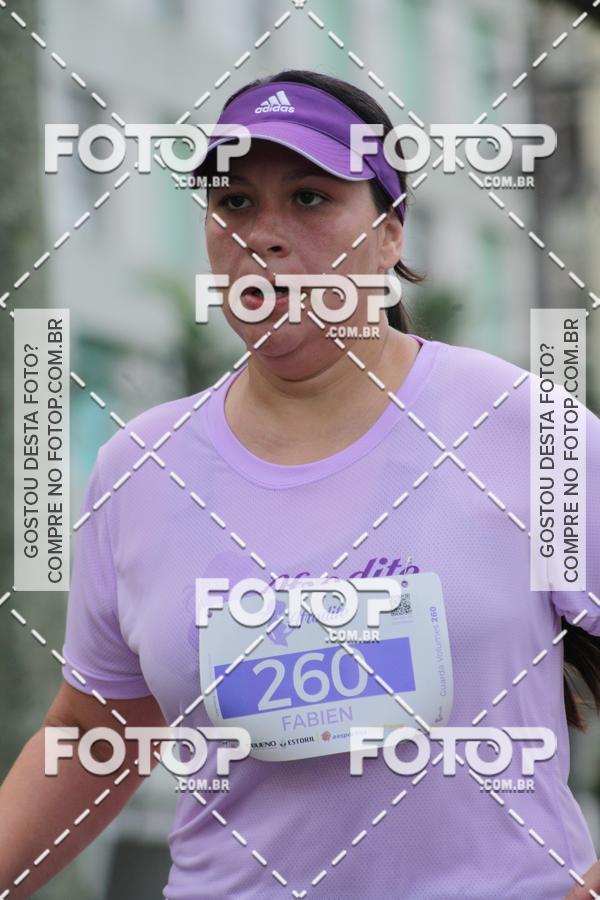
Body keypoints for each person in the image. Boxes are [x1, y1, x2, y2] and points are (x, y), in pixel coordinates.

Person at [1, 68, 599, 900]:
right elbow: (95, 734)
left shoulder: (525, 430)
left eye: (311, 198)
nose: (266, 236)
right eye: (235, 203)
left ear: (390, 235)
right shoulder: (140, 468)